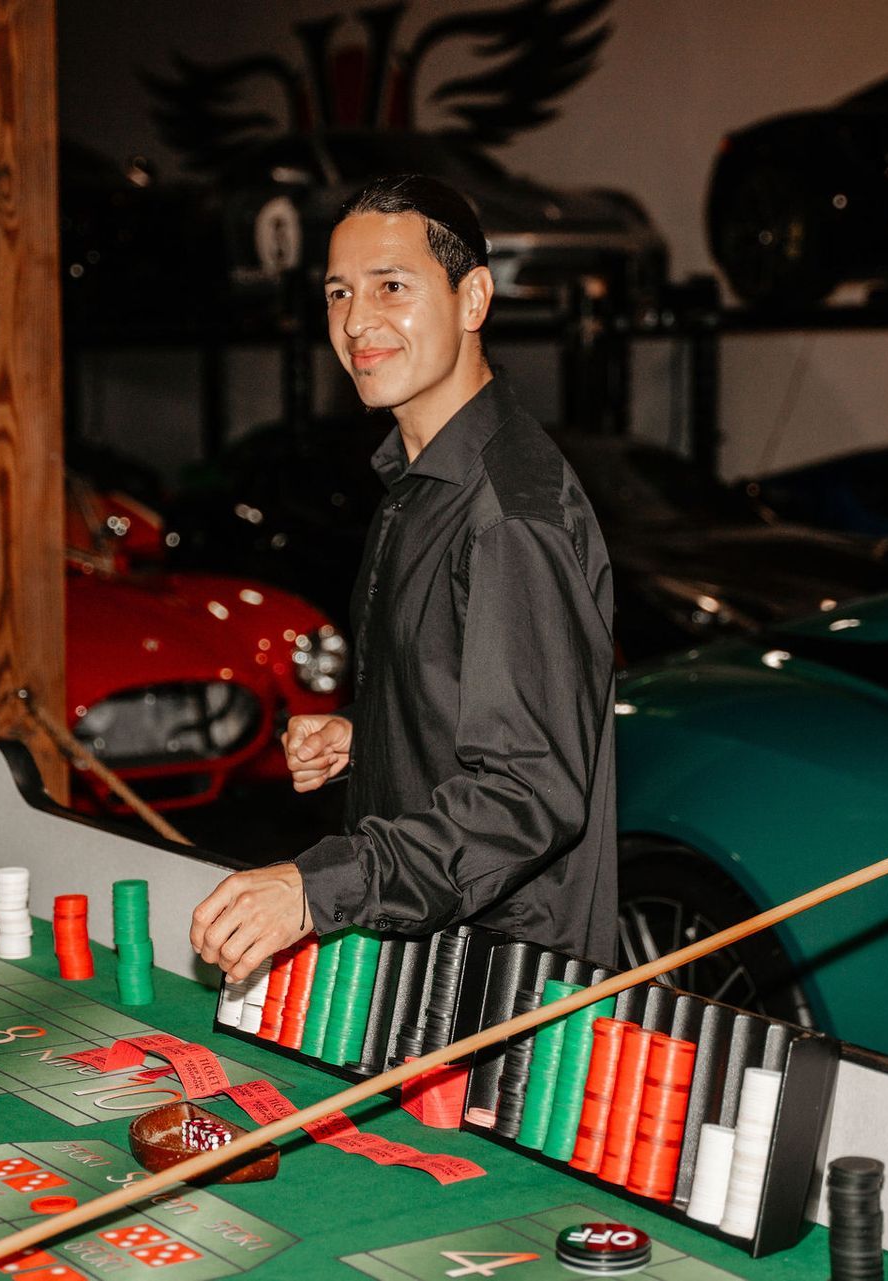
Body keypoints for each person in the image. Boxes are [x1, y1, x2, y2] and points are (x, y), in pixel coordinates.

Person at [190, 174, 618, 983]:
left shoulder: (509, 514)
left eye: (392, 286)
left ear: (473, 299)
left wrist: (315, 889)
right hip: (422, 952)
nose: (356, 322)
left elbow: (528, 794)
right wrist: (371, 733)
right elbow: (480, 705)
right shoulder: (416, 482)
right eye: (339, 292)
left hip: (497, 987)